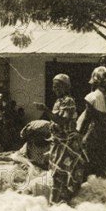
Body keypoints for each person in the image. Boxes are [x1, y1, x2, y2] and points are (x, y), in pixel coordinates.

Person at [34, 74, 86, 204]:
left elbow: (63, 120)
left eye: (57, 87)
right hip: (59, 143)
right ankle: (58, 201)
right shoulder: (59, 101)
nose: (54, 89)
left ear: (66, 87)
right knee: (58, 173)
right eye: (53, 87)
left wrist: (45, 109)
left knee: (61, 173)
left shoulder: (68, 101)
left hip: (67, 144)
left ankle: (58, 201)